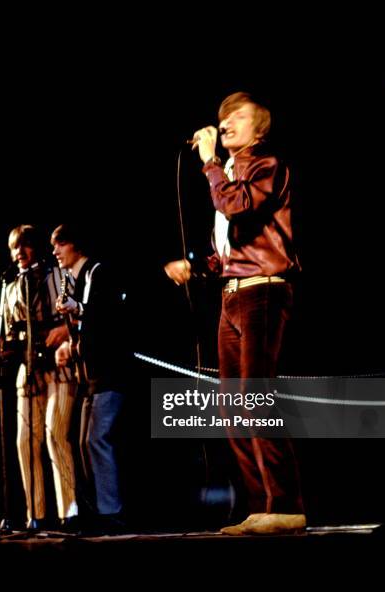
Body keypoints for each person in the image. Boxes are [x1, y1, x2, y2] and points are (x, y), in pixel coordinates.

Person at [165, 92, 306, 535]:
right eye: (223, 117)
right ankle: (261, 505)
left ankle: (286, 504)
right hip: (233, 294)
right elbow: (231, 243)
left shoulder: (266, 164)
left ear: (258, 129)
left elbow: (238, 206)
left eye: (238, 117)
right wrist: (198, 267)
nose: (225, 123)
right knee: (231, 406)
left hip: (264, 291)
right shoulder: (226, 173)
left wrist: (208, 163)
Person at [51, 223, 129, 534]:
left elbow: (108, 315)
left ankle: (112, 511)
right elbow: (88, 329)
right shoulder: (75, 279)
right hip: (92, 374)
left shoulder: (97, 272)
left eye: (60, 244)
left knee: (97, 439)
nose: (55, 251)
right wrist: (71, 345)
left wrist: (78, 308)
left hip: (110, 371)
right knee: (85, 440)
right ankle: (98, 509)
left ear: (76, 245)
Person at [1, 224, 79, 531]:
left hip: (59, 366)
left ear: (35, 248)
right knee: (24, 442)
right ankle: (36, 513)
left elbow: (77, 317)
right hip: (28, 368)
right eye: (14, 248)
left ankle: (69, 511)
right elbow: (8, 333)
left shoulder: (58, 277)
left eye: (25, 246)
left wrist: (65, 332)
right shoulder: (8, 289)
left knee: (55, 434)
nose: (19, 252)